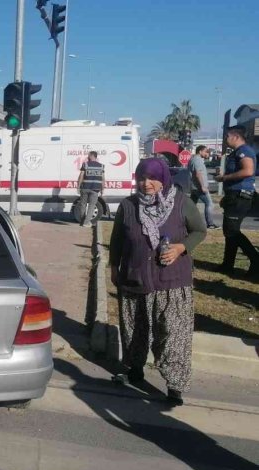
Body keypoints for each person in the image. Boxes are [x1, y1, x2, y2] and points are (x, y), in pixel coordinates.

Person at [109, 158, 206, 406]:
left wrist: (181, 248)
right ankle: (135, 370)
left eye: (152, 178)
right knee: (134, 331)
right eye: (141, 178)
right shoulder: (128, 206)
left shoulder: (182, 203)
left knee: (173, 335)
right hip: (135, 281)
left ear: (163, 178)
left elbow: (200, 230)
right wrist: (113, 267)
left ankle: (175, 387)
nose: (146, 183)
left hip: (172, 284)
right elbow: (118, 239)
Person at [214, 126, 258, 277]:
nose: (225, 140)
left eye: (226, 137)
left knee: (231, 231)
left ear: (235, 137)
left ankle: (255, 259)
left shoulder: (244, 151)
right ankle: (227, 265)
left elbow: (248, 171)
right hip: (234, 195)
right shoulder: (236, 153)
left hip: (240, 196)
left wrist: (224, 178)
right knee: (230, 231)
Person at [187, 145, 218, 229]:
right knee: (209, 204)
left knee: (191, 206)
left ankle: (186, 222)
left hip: (194, 187)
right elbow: (198, 174)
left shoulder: (194, 159)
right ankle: (210, 224)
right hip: (199, 187)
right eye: (206, 152)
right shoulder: (197, 160)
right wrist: (203, 186)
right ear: (200, 151)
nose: (207, 153)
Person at [77, 151, 105, 227]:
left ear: (92, 156)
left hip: (85, 188)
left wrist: (78, 186)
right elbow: (103, 179)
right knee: (91, 206)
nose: (87, 157)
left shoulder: (85, 164)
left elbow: (81, 176)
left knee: (83, 205)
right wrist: (102, 190)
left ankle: (82, 221)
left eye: (89, 156)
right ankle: (86, 222)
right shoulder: (101, 166)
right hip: (95, 189)